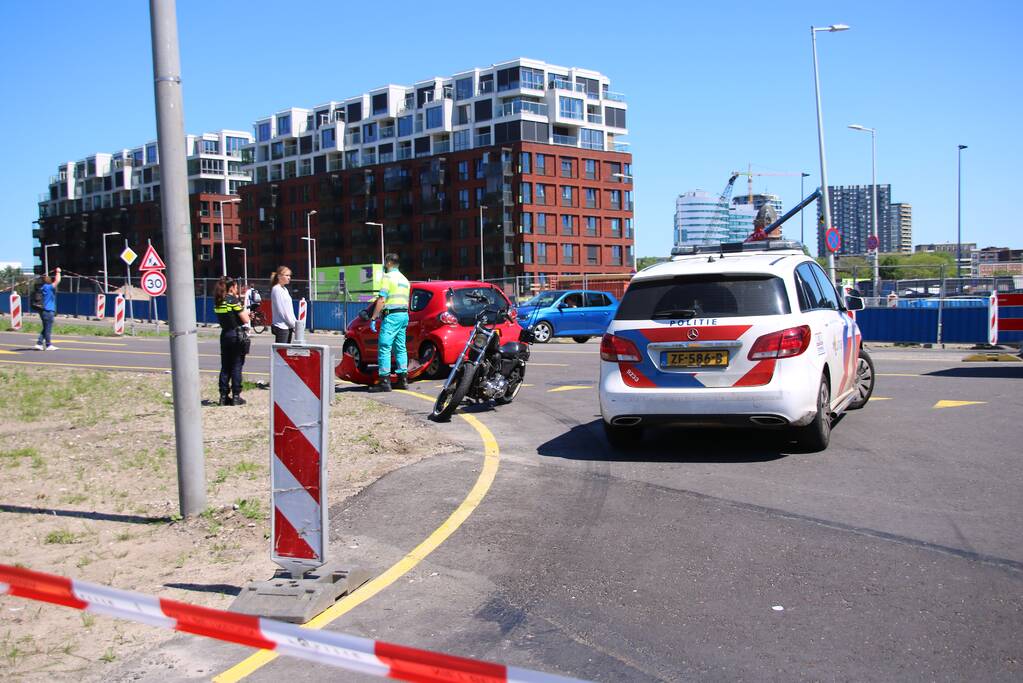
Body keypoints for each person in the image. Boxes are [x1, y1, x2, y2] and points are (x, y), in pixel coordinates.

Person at [369, 253, 410, 392]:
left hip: (392, 316)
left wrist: (373, 317)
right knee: (400, 347)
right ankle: (403, 380)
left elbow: (382, 299)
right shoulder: (405, 280)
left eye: (385, 262)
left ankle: (384, 382)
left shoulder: (387, 277)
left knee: (385, 347)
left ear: (389, 263)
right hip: (403, 315)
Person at [213, 277, 250, 406]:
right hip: (236, 335)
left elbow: (228, 317)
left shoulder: (218, 301)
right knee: (236, 365)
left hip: (225, 334)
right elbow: (245, 319)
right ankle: (236, 396)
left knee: (225, 366)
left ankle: (223, 396)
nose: (236, 289)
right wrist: (247, 313)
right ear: (232, 287)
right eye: (235, 287)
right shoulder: (232, 300)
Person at [34, 267, 61, 351]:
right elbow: (57, 281)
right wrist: (58, 272)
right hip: (48, 310)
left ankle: (39, 343)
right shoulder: (48, 287)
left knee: (46, 327)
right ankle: (48, 345)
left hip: (42, 310)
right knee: (48, 328)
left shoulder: (41, 288)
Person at [270, 267, 296, 343]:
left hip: (288, 326)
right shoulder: (277, 289)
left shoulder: (284, 289)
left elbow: (289, 309)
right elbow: (282, 311)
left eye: (289, 275)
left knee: (286, 349)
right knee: (281, 349)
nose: (289, 277)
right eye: (287, 275)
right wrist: (292, 324)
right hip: (281, 327)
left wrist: (294, 322)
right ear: (279, 276)